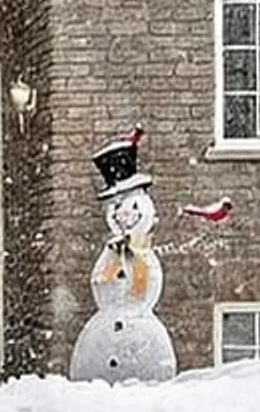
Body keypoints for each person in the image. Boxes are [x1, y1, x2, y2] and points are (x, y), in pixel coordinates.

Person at [69, 130, 180, 384]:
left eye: (130, 207)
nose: (124, 215)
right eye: (117, 208)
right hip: (103, 332)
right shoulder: (111, 251)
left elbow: (144, 289)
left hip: (142, 333)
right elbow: (100, 284)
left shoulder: (142, 252)